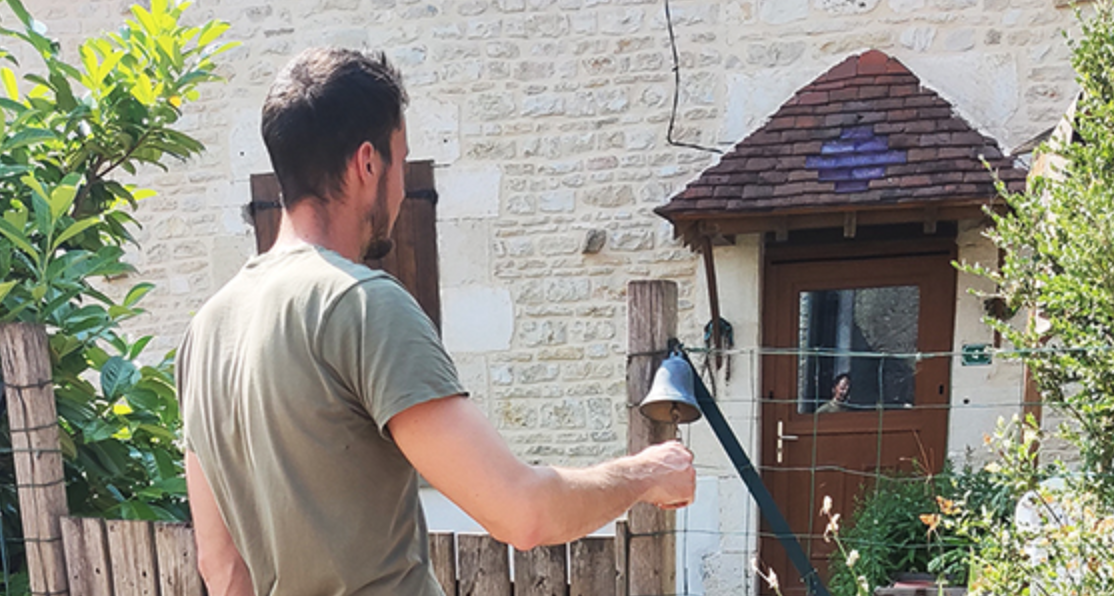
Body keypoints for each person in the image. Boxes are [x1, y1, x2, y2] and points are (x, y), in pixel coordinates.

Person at [177, 47, 696, 596]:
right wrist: (647, 474)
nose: (401, 186)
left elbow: (223, 568)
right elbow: (521, 512)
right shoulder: (362, 304)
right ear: (368, 163)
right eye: (402, 161)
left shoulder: (206, 331)